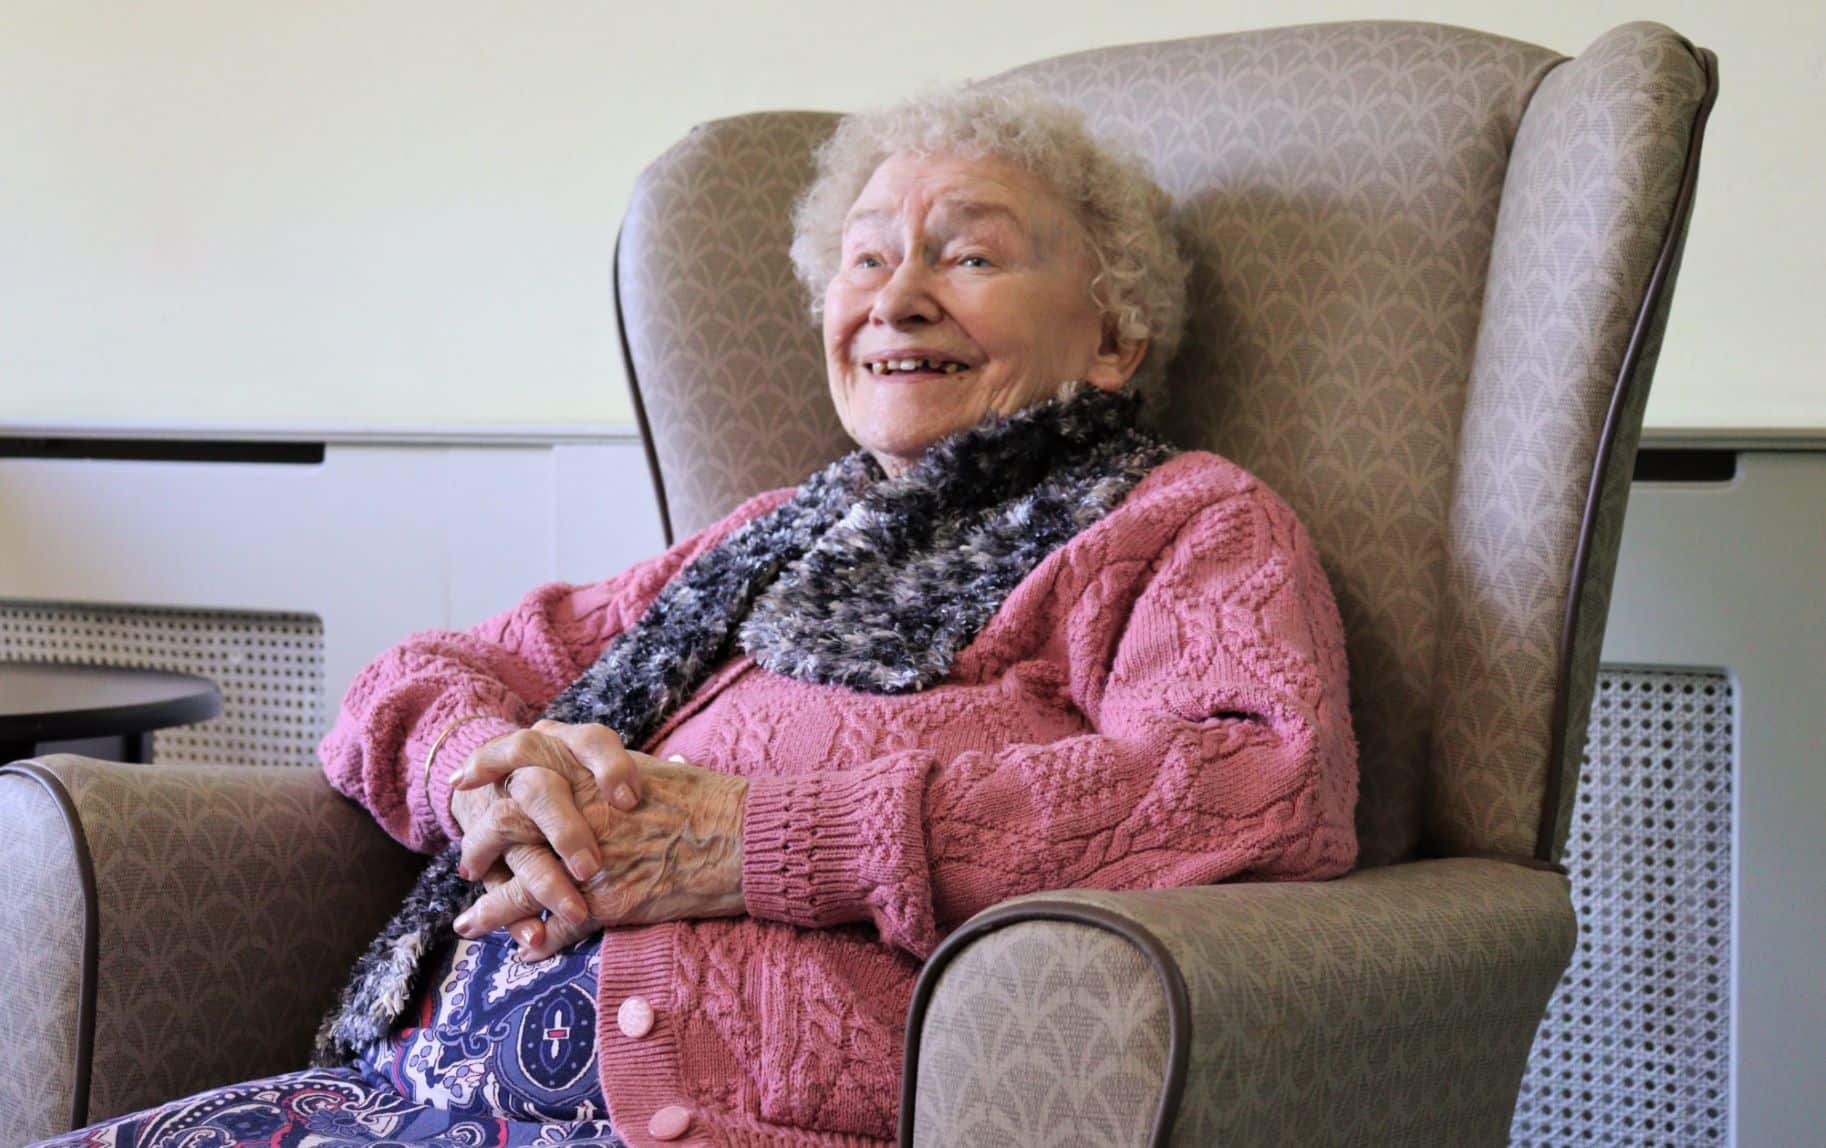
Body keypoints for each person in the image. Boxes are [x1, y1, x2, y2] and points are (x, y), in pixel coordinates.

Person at [38, 83, 1358, 1148]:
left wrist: (765, 843)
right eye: (865, 261)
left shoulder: (1176, 523)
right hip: (402, 1104)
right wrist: (487, 789)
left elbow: (1251, 786)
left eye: (967, 256)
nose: (897, 295)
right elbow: (424, 671)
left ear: (1116, 336)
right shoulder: (762, 539)